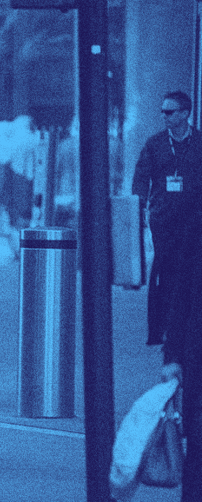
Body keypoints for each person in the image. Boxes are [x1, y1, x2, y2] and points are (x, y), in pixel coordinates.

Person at [134, 90, 202, 501]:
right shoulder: (156, 145)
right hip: (166, 224)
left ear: (187, 114)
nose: (165, 117)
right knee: (171, 284)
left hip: (190, 221)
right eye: (161, 111)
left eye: (171, 111)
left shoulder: (198, 143)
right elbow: (141, 180)